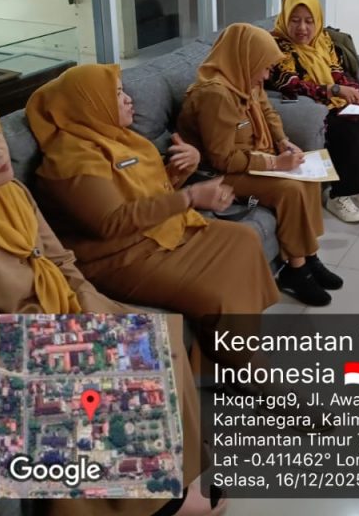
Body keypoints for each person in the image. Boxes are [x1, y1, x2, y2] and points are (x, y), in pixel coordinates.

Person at [0, 95, 223, 516]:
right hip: (10, 334)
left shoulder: (9, 191)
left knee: (158, 334)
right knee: (125, 357)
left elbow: (60, 260)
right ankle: (154, 504)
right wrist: (70, 338)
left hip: (58, 310)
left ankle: (177, 473)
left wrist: (93, 307)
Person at [24, 64, 280, 364]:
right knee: (215, 290)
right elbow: (112, 222)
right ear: (91, 103)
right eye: (117, 94)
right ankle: (240, 363)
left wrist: (182, 169)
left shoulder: (119, 138)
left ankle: (233, 350)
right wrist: (190, 197)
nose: (128, 99)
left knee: (244, 240)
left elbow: (147, 194)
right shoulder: (70, 159)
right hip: (120, 256)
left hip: (157, 231)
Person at [176, 23, 341, 307]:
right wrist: (275, 163)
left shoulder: (245, 78)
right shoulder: (215, 95)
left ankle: (310, 257)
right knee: (289, 188)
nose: (266, 76)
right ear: (245, 58)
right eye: (264, 68)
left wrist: (283, 141)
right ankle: (296, 271)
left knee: (308, 177)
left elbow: (267, 110)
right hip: (218, 173)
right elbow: (223, 159)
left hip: (249, 158)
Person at [269, 0, 359, 223]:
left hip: (333, 101)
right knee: (346, 129)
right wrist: (333, 91)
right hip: (314, 105)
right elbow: (289, 83)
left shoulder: (323, 40)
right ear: (285, 18)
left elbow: (338, 72)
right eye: (295, 20)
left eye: (309, 21)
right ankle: (337, 195)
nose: (302, 28)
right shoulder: (276, 45)